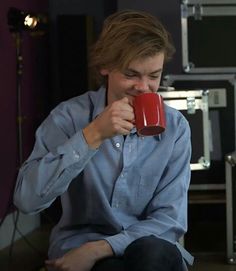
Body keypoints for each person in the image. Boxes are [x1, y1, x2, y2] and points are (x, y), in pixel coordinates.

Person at [14, 9, 194, 271]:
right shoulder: (68, 117)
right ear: (105, 67)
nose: (143, 87)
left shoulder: (175, 127)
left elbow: (169, 219)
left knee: (151, 254)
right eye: (131, 74)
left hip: (149, 247)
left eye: (154, 76)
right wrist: (92, 135)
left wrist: (100, 248)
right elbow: (26, 200)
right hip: (80, 243)